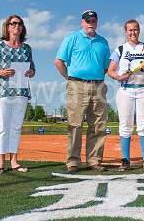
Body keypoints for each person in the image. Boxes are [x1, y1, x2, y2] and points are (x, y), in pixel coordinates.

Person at [54, 10, 110, 173]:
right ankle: (73, 161)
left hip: (99, 85)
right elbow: (58, 61)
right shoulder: (72, 38)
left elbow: (106, 67)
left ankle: (94, 161)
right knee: (75, 124)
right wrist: (69, 78)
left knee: (98, 124)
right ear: (82, 22)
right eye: (87, 20)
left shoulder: (103, 42)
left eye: (93, 20)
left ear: (97, 22)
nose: (90, 22)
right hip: (76, 84)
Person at [0, 14, 35, 175]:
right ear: (7, 27)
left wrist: (30, 72)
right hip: (2, 92)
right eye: (13, 23)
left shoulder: (27, 48)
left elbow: (33, 69)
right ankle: (0, 162)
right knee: (2, 127)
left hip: (21, 92)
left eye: (19, 24)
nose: (16, 26)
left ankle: (14, 161)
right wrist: (0, 71)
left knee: (16, 128)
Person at [107, 19, 144, 172]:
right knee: (125, 125)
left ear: (139, 31)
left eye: (135, 29)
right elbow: (110, 71)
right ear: (125, 32)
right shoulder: (120, 49)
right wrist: (117, 77)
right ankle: (125, 159)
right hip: (125, 90)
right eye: (130, 30)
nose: (133, 32)